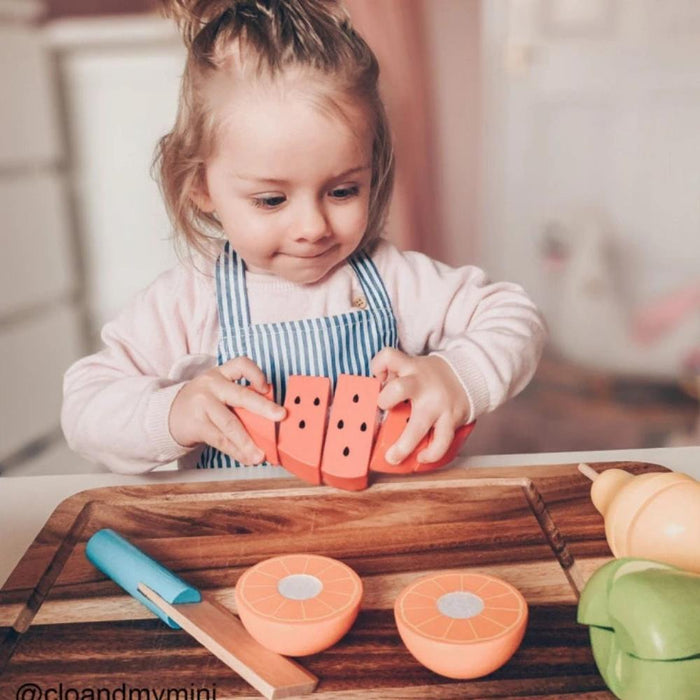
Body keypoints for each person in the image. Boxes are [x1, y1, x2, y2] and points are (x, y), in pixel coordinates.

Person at [62, 0, 546, 474]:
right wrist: (173, 412)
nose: (313, 227)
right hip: (239, 540)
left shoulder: (392, 278)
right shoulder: (188, 300)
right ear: (202, 187)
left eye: (342, 190)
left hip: (386, 528)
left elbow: (515, 316)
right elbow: (85, 408)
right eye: (272, 200)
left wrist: (458, 377)